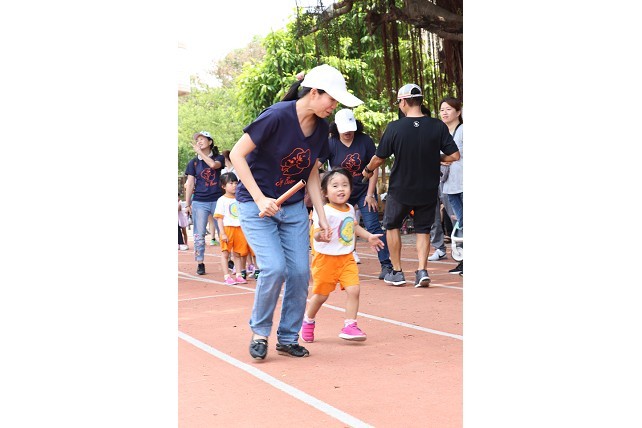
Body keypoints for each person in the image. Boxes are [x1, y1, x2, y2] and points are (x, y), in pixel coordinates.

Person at [230, 63, 363, 360]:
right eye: (332, 99)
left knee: (301, 272)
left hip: (292, 209)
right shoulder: (277, 116)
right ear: (314, 92)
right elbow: (237, 154)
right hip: (256, 206)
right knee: (274, 268)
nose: (334, 106)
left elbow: (312, 172)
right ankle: (260, 332)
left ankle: (288, 337)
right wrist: (260, 198)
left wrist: (321, 216)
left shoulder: (321, 129)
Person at [362, 83, 460, 287]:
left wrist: (368, 170)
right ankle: (422, 270)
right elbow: (454, 155)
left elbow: (379, 158)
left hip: (401, 189)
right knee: (423, 229)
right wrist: (434, 157)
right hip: (428, 188)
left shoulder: (394, 127)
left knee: (392, 226)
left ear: (404, 102)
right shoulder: (437, 126)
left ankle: (397, 272)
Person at [301, 169, 384, 343]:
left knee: (354, 290)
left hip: (346, 257)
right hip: (325, 259)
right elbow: (315, 233)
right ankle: (308, 320)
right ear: (324, 192)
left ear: (351, 189)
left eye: (345, 185)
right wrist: (320, 236)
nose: (341, 189)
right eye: (335, 186)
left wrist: (369, 236)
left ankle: (350, 325)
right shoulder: (323, 211)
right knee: (321, 296)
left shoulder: (350, 209)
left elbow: (353, 226)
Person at [321, 108, 394, 279]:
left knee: (373, 225)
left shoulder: (365, 140)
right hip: (340, 192)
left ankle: (386, 265)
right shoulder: (331, 143)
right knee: (336, 226)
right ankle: (335, 265)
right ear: (336, 127)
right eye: (344, 129)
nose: (348, 133)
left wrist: (370, 194)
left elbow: (373, 167)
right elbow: (319, 166)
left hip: (363, 190)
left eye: (351, 129)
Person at [184, 130, 225, 275]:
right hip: (200, 201)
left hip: (217, 200)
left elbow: (213, 165)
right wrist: (187, 203)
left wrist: (200, 153)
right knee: (199, 234)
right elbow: (190, 184)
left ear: (210, 142)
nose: (199, 142)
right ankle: (200, 262)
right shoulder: (193, 163)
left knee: (223, 232)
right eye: (198, 140)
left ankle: (228, 259)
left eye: (202, 139)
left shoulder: (219, 157)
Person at [439, 96, 464, 275]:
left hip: (463, 182)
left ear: (458, 112)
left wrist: (446, 158)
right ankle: (463, 261)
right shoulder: (442, 133)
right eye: (442, 110)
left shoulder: (464, 130)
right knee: (461, 224)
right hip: (449, 184)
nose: (444, 113)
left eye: (448, 109)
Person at [214, 172, 249, 285]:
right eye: (231, 183)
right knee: (225, 253)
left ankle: (238, 274)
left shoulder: (240, 199)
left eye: (235, 183)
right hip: (227, 229)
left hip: (239, 229)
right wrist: (223, 233)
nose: (234, 185)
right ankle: (227, 276)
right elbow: (219, 218)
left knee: (238, 254)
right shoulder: (222, 200)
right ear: (223, 186)